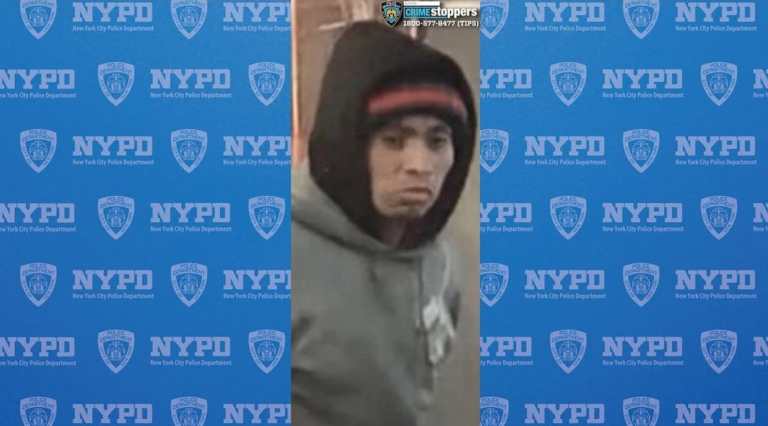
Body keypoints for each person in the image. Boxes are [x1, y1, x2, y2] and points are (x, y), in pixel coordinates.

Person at [291, 21, 476, 426]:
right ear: (348, 145)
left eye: (437, 141)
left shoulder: (441, 263)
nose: (419, 165)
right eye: (393, 140)